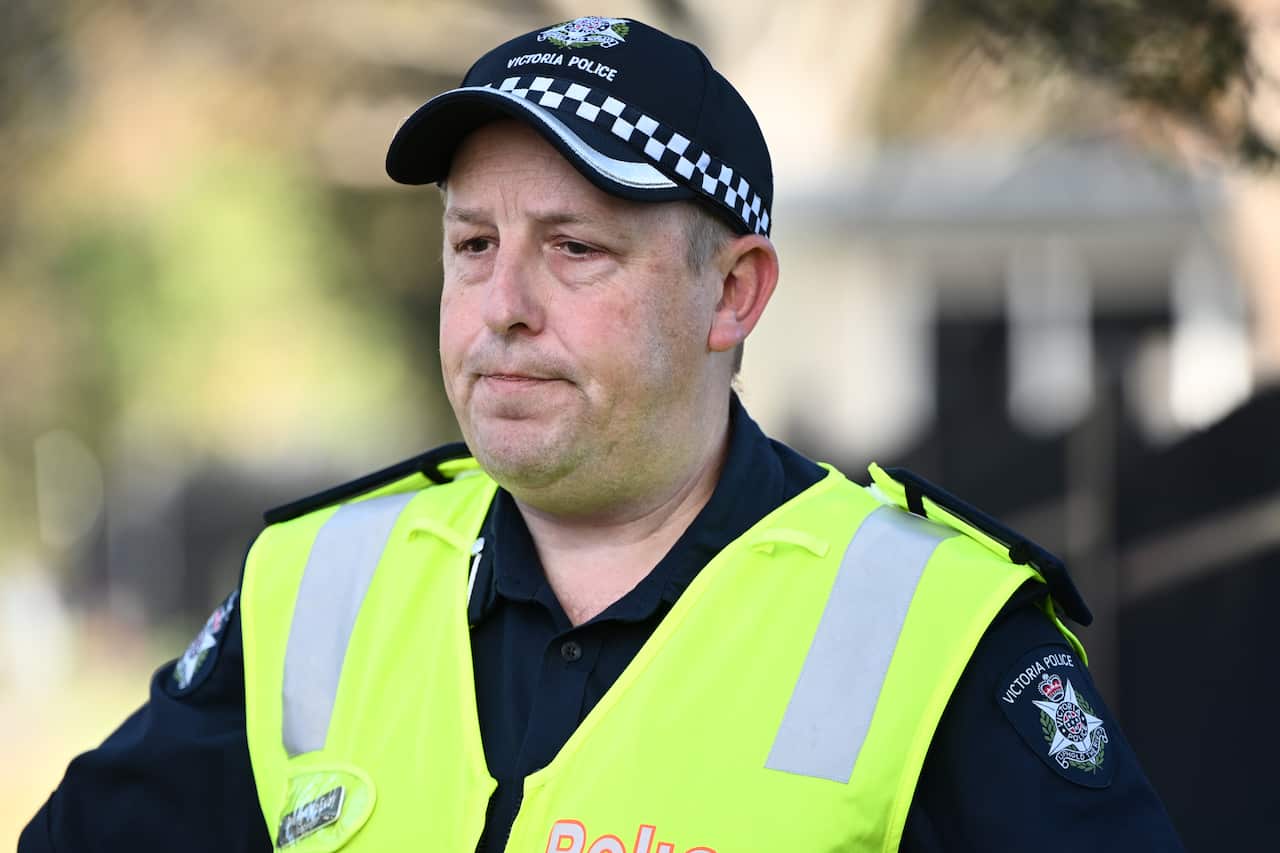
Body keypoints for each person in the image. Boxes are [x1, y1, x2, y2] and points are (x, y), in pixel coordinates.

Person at [21, 16, 1183, 852]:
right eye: (473, 245)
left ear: (733, 295)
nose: (502, 303)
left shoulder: (933, 628)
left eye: (575, 249)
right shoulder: (317, 589)